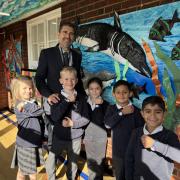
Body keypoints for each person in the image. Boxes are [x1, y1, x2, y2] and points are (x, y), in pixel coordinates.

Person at [46, 67, 89, 180]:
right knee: (51, 161)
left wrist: (73, 124)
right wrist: (67, 101)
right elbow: (55, 117)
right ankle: (51, 177)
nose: (69, 82)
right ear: (61, 81)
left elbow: (86, 119)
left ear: (77, 81)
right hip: (59, 136)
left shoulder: (82, 98)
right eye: (66, 79)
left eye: (72, 79)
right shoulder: (56, 98)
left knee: (73, 163)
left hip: (75, 138)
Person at [125, 95, 180, 180]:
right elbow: (129, 159)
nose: (153, 116)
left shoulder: (170, 136)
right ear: (142, 113)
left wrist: (155, 145)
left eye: (157, 112)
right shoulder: (136, 133)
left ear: (164, 114)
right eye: (148, 111)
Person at [104, 80, 144, 180]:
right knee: (119, 176)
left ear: (130, 93)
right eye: (118, 92)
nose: (121, 95)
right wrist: (121, 113)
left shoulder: (137, 111)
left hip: (133, 153)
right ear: (113, 94)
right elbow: (107, 125)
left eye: (125, 92)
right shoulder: (111, 108)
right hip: (118, 154)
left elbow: (141, 131)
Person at [10, 76, 45, 180]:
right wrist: (40, 104)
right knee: (32, 174)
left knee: (22, 171)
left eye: (30, 88)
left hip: (31, 142)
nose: (28, 91)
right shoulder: (20, 105)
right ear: (17, 91)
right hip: (27, 145)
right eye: (24, 88)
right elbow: (38, 111)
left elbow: (39, 120)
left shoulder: (30, 102)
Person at [83, 77, 109, 180]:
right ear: (88, 90)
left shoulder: (106, 104)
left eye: (97, 88)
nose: (94, 91)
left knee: (99, 163)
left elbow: (105, 121)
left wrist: (99, 106)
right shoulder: (84, 103)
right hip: (88, 136)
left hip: (101, 137)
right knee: (90, 163)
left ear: (101, 89)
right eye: (91, 88)